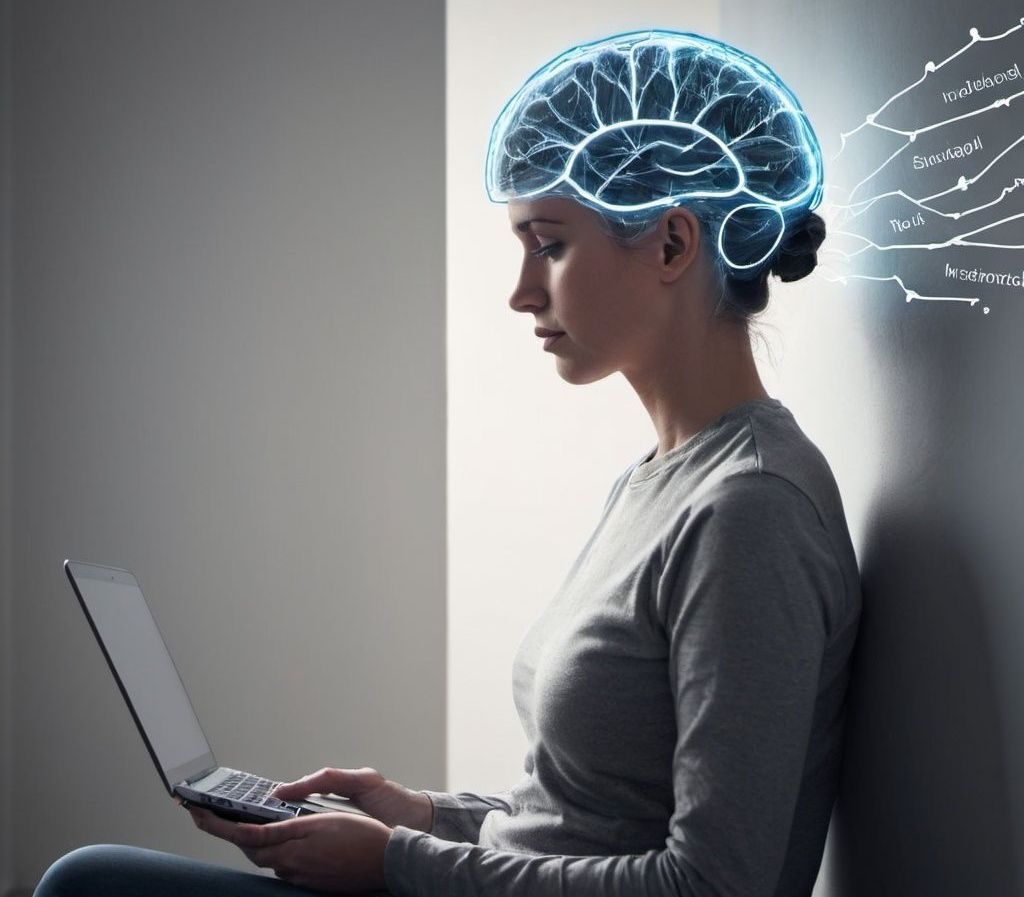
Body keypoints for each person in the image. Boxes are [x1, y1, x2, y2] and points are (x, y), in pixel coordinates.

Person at [32, 28, 861, 897]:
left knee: (82, 881)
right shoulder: (658, 479)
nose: (521, 290)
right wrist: (415, 813)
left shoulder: (752, 509)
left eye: (549, 243)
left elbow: (710, 885)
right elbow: (578, 816)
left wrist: (393, 862)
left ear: (671, 245)